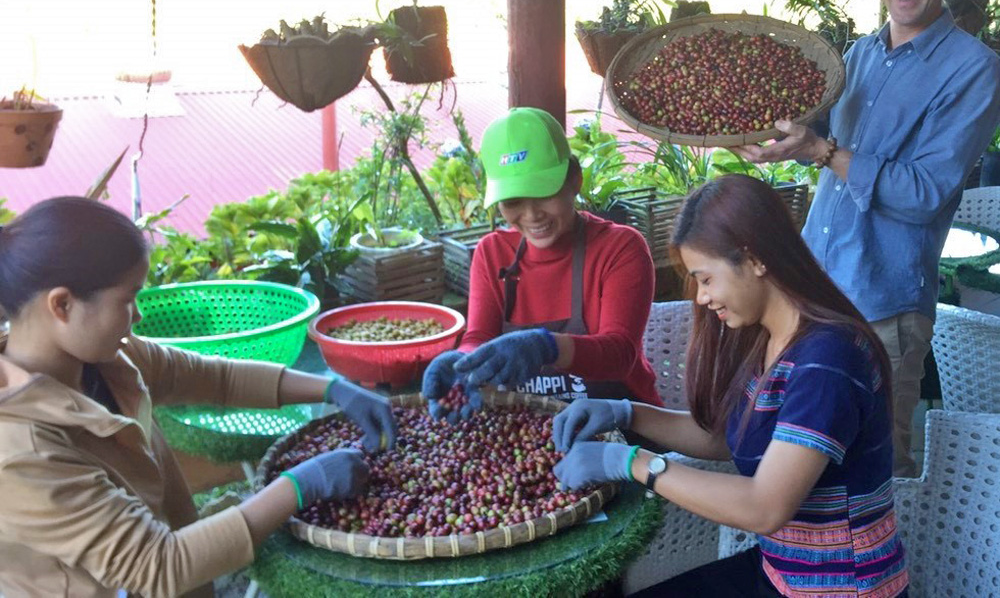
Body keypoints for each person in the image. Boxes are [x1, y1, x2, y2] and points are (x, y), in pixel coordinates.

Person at [0, 196, 397, 598]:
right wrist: (297, 486)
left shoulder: (105, 357)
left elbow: (213, 377)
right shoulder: (20, 452)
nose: (136, 317)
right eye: (127, 299)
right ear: (63, 305)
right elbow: (157, 565)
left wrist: (331, 389)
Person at [733, 0, 1000, 476]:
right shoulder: (859, 54)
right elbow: (818, 145)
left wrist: (824, 150)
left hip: (883, 306)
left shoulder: (974, 69)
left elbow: (926, 192)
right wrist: (772, 138)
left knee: (876, 469)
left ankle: (887, 570)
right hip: (814, 293)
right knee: (803, 460)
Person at [552, 174, 908, 597]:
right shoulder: (769, 338)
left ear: (754, 259)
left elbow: (764, 506)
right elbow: (730, 437)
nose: (701, 298)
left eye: (705, 279)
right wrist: (627, 412)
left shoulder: (828, 361)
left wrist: (630, 461)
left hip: (836, 588)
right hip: (781, 573)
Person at [422, 107, 661, 421]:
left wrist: (545, 346)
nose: (532, 215)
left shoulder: (620, 248)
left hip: (624, 423)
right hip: (530, 424)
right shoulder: (491, 252)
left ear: (574, 180)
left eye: (544, 192)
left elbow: (620, 356)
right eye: (513, 201)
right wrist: (462, 363)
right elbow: (478, 337)